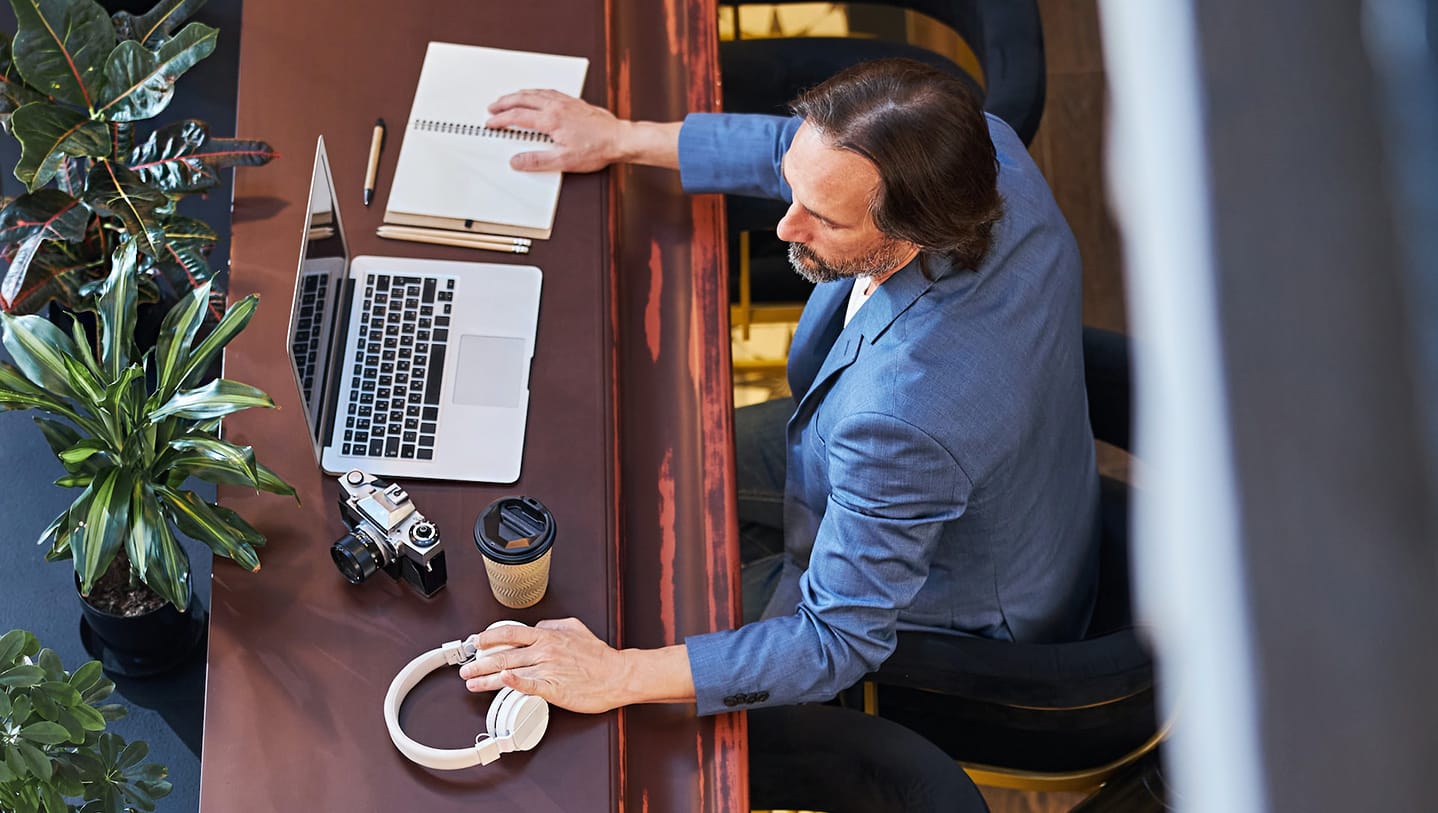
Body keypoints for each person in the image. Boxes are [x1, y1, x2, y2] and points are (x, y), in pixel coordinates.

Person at [460, 58, 1098, 727]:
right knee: (633, 466)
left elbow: (833, 639)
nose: (785, 227)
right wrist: (620, 136)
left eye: (822, 219)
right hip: (957, 469)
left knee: (632, 619)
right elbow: (803, 160)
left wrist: (618, 671)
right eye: (796, 193)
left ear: (915, 234)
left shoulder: (907, 417)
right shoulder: (983, 149)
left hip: (956, 584)